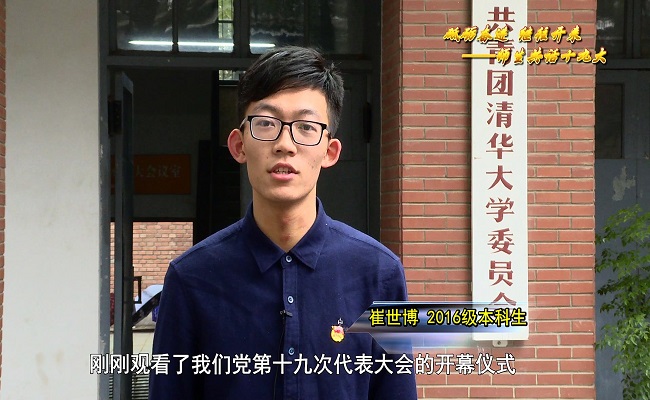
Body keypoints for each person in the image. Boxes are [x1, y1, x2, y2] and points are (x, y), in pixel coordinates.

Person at [149, 46, 417, 400]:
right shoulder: (192, 278)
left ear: (330, 151)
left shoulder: (379, 274)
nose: (285, 144)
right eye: (266, 123)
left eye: (306, 127)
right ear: (238, 145)